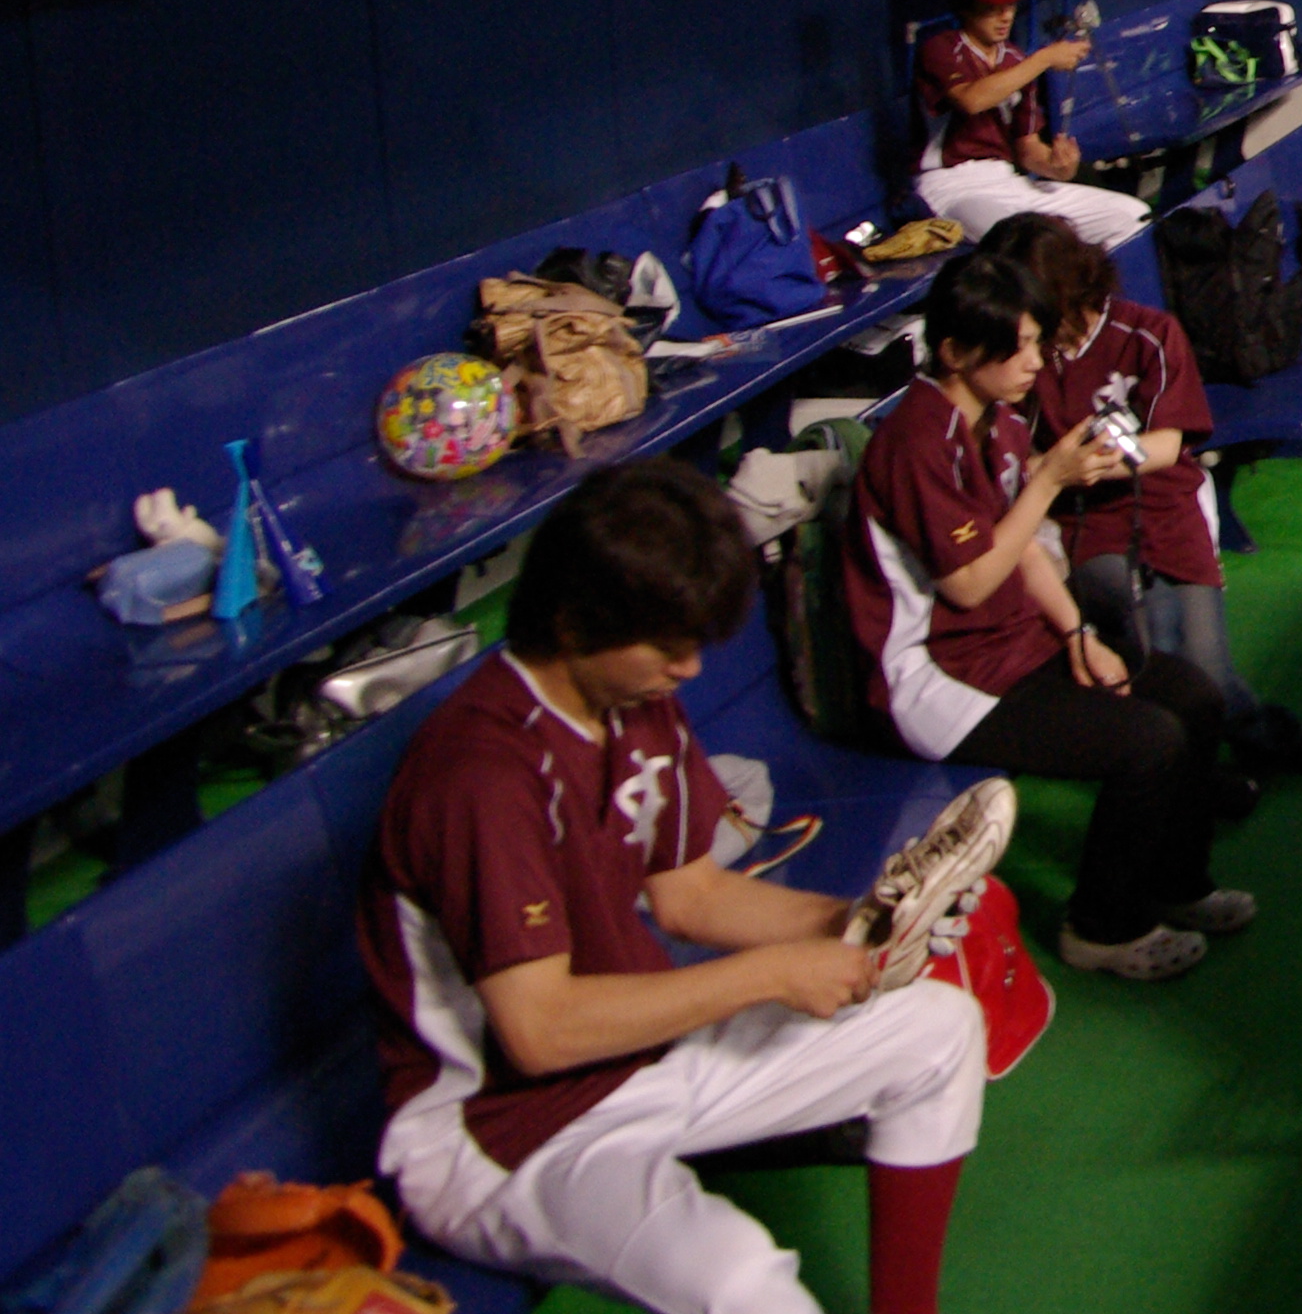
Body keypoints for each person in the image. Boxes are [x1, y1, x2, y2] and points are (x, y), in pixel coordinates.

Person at [361, 463, 989, 1314]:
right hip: (504, 1133)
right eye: (667, 647)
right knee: (738, 1278)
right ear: (573, 622)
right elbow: (540, 1032)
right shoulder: (479, 775)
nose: (689, 668)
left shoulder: (633, 699)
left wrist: (862, 920)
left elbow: (693, 897)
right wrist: (773, 974)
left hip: (644, 1052)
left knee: (939, 1031)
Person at [846, 250, 1244, 981]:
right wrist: (1050, 479)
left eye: (1037, 341)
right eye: (1020, 347)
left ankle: (1175, 883)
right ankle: (1101, 928)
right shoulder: (915, 443)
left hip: (1013, 646)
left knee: (1193, 696)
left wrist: (1078, 633)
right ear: (956, 353)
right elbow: (970, 583)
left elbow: (1024, 548)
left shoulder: (995, 421)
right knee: (1147, 742)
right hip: (938, 678)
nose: (1037, 361)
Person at [981, 214, 1302, 793]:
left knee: (1205, 663)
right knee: (1154, 646)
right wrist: (1054, 471)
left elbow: (1170, 444)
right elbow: (1016, 461)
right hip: (1083, 521)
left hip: (1165, 505)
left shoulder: (1147, 332)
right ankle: (1190, 773)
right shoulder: (1022, 360)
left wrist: (1089, 460)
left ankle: (1258, 734)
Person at [910, 0, 1144, 247]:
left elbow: (1027, 148)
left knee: (1132, 215)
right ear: (967, 7)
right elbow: (971, 100)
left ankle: (1097, 280)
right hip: (950, 187)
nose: (1006, 15)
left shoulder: (1016, 59)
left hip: (1007, 181)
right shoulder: (940, 48)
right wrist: (1043, 59)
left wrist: (1056, 167)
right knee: (1025, 241)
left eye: (1010, 4)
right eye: (993, 6)